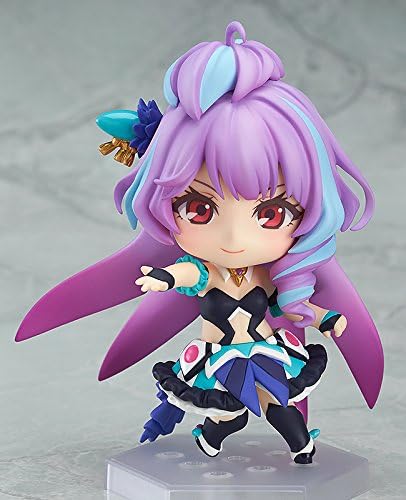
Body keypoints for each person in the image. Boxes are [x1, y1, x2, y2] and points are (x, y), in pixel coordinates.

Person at [16, 21, 383, 465]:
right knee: (230, 414)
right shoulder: (210, 272)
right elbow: (189, 272)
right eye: (199, 209)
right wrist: (162, 277)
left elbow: (294, 306)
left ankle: (300, 445)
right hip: (218, 359)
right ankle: (210, 439)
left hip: (267, 354)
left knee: (277, 402)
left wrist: (328, 320)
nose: (234, 239)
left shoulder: (271, 277)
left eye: (270, 214)